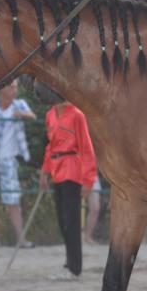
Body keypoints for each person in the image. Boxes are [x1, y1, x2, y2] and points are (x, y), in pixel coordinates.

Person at [40, 101, 97, 280]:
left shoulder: (76, 114)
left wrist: (89, 179)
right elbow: (50, 145)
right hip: (56, 169)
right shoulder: (50, 114)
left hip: (72, 169)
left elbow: (86, 147)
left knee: (71, 221)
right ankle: (69, 261)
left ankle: (74, 267)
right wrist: (44, 171)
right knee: (62, 220)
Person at [0, 81, 36, 247]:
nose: (15, 90)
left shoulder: (20, 104)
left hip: (9, 160)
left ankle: (21, 239)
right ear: (2, 89)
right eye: (11, 86)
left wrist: (22, 115)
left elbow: (33, 116)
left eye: (16, 86)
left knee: (13, 200)